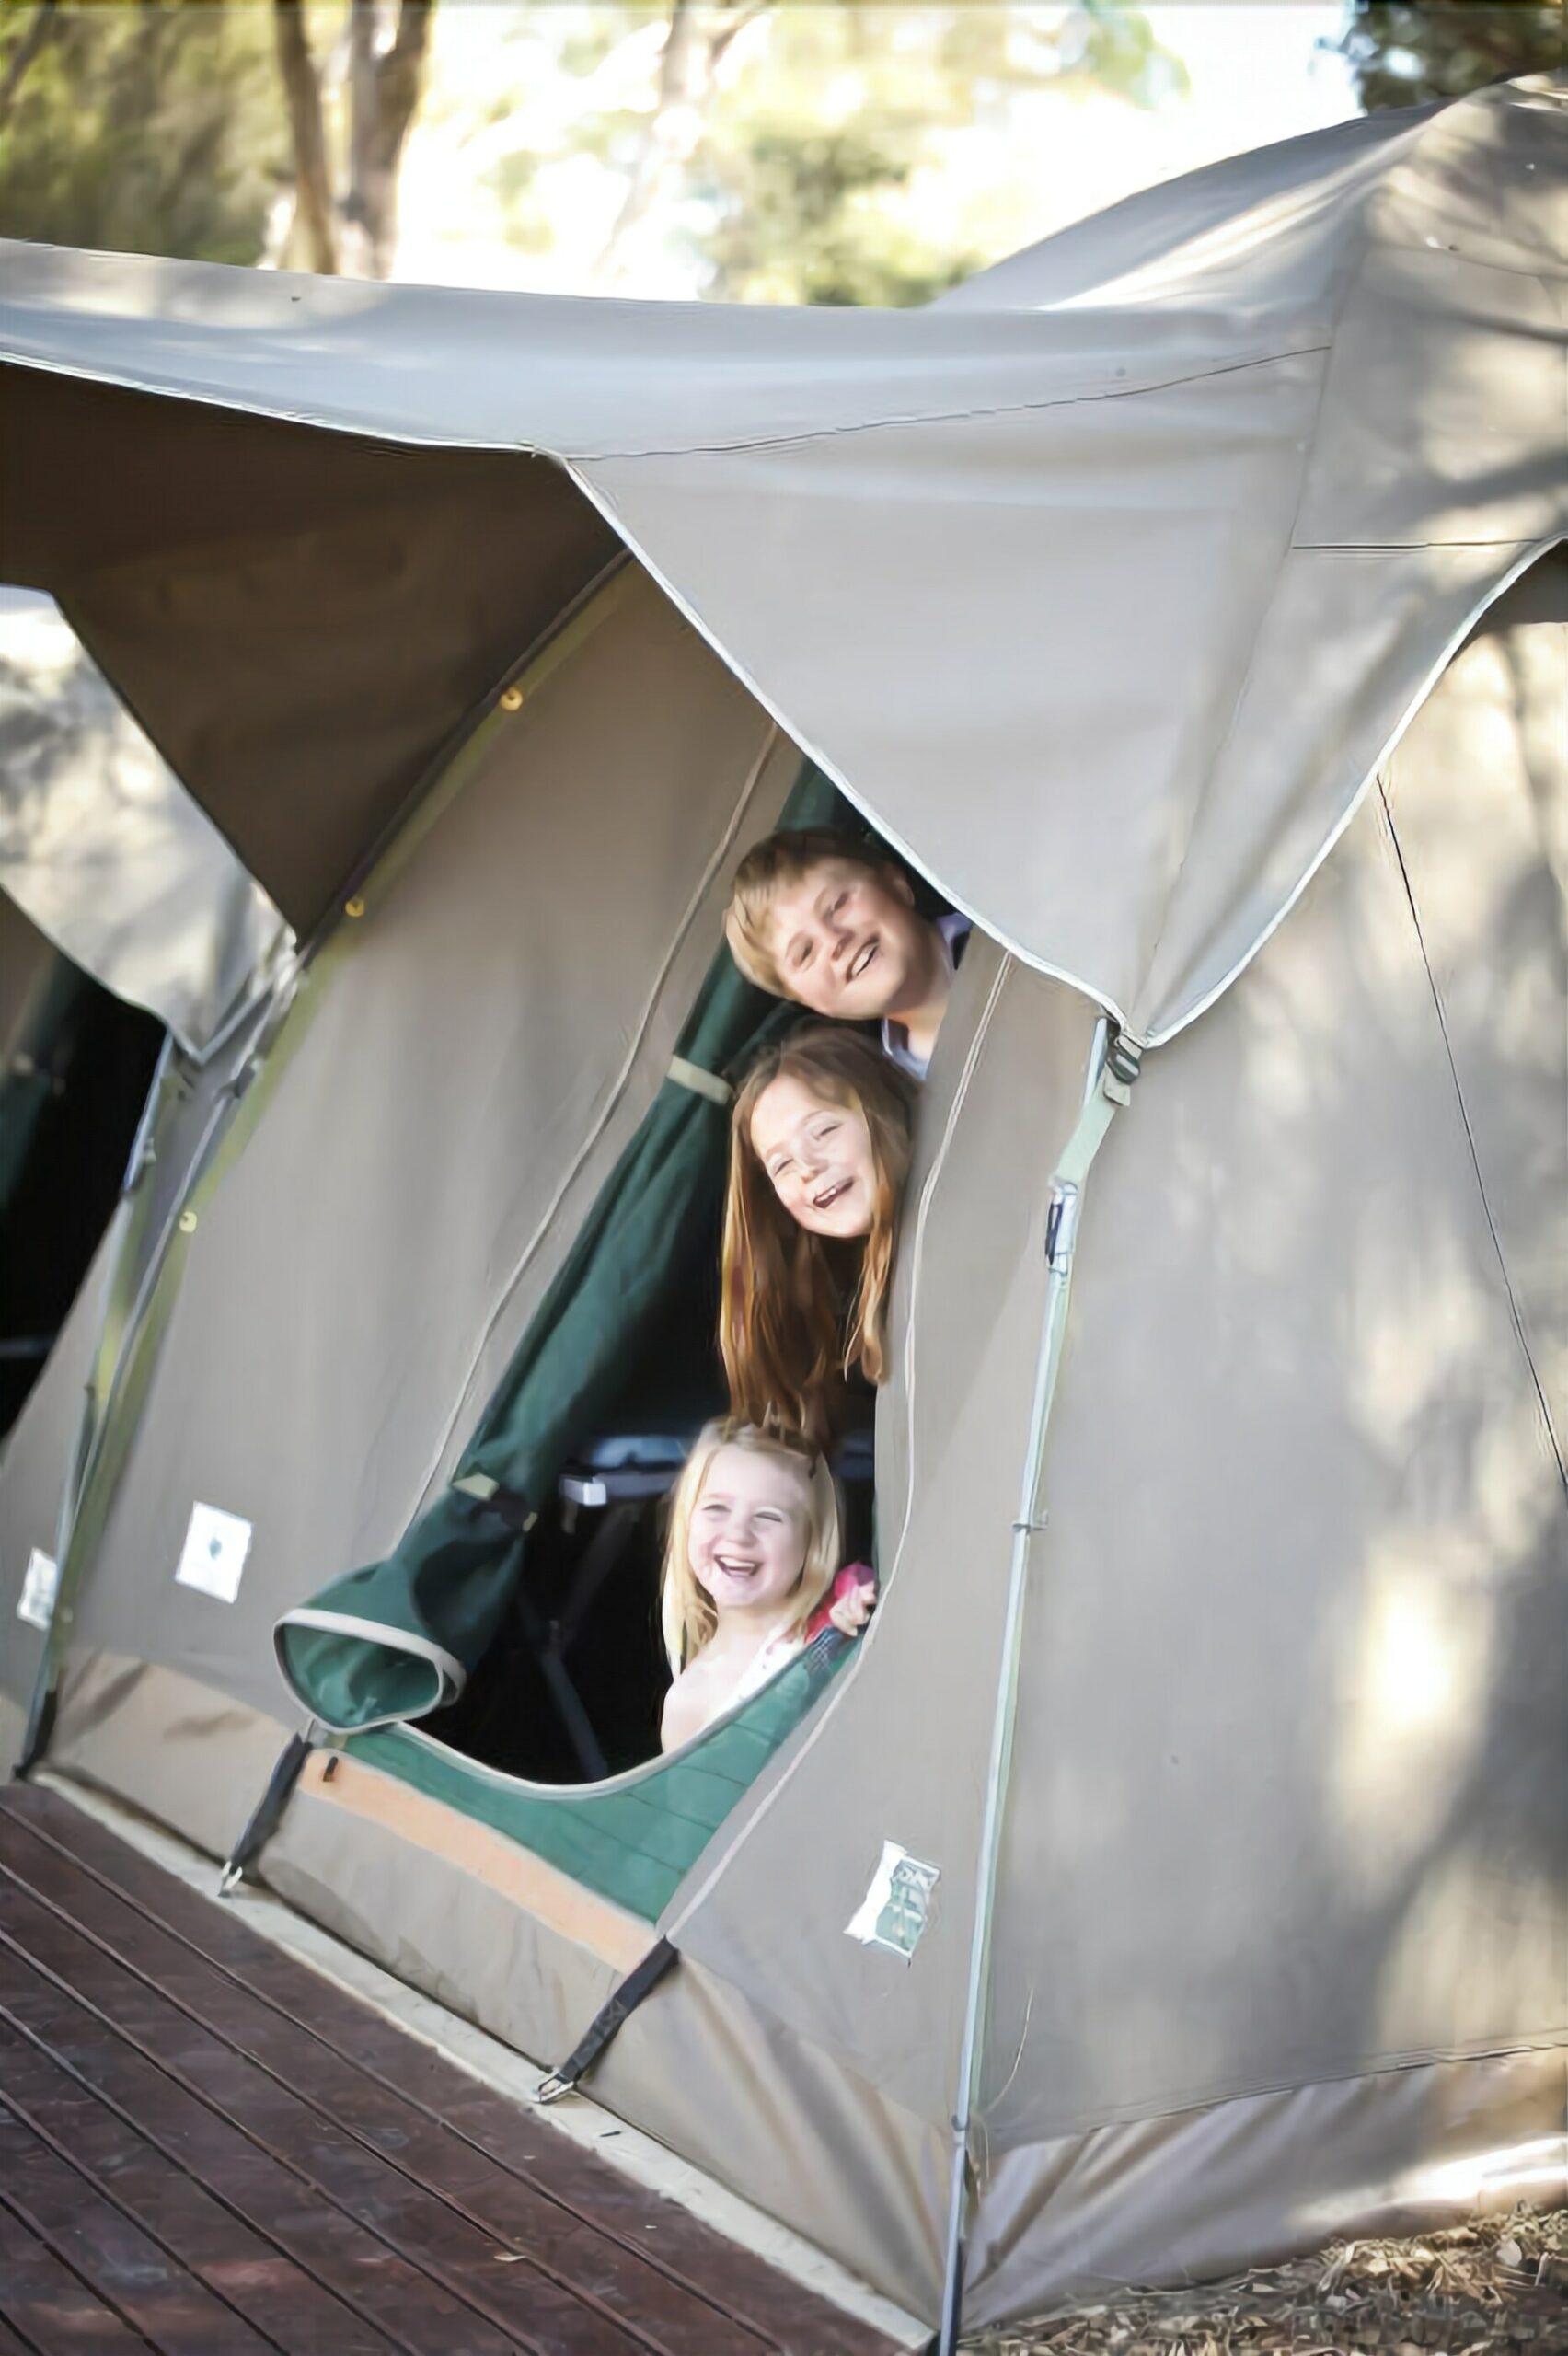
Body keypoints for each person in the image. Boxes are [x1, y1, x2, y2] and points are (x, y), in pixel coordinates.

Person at [721, 1026, 915, 1442]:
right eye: (782, 1165)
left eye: (823, 1131)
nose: (807, 1165)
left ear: (883, 1111)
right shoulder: (834, 1307)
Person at [660, 1420, 875, 1753]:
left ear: (811, 1543)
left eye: (768, 1516)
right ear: (686, 1523)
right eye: (716, 1508)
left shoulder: (825, 1633)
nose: (738, 1534)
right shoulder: (689, 1702)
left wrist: (852, 1615)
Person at [724, 828, 969, 1080]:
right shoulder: (894, 1095)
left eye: (837, 905)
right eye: (805, 953)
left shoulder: (1001, 922)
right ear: (808, 1001)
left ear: (895, 884)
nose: (835, 940)